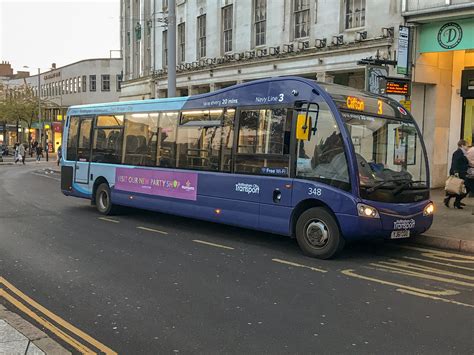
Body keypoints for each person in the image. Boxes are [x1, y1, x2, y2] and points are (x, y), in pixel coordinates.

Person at [444, 139, 470, 209]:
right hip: (459, 173)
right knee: (464, 187)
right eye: (466, 145)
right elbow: (455, 163)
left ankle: (452, 200)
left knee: (461, 188)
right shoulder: (458, 153)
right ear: (462, 145)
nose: (467, 147)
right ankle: (455, 201)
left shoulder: (463, 153)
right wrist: (456, 172)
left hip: (462, 172)